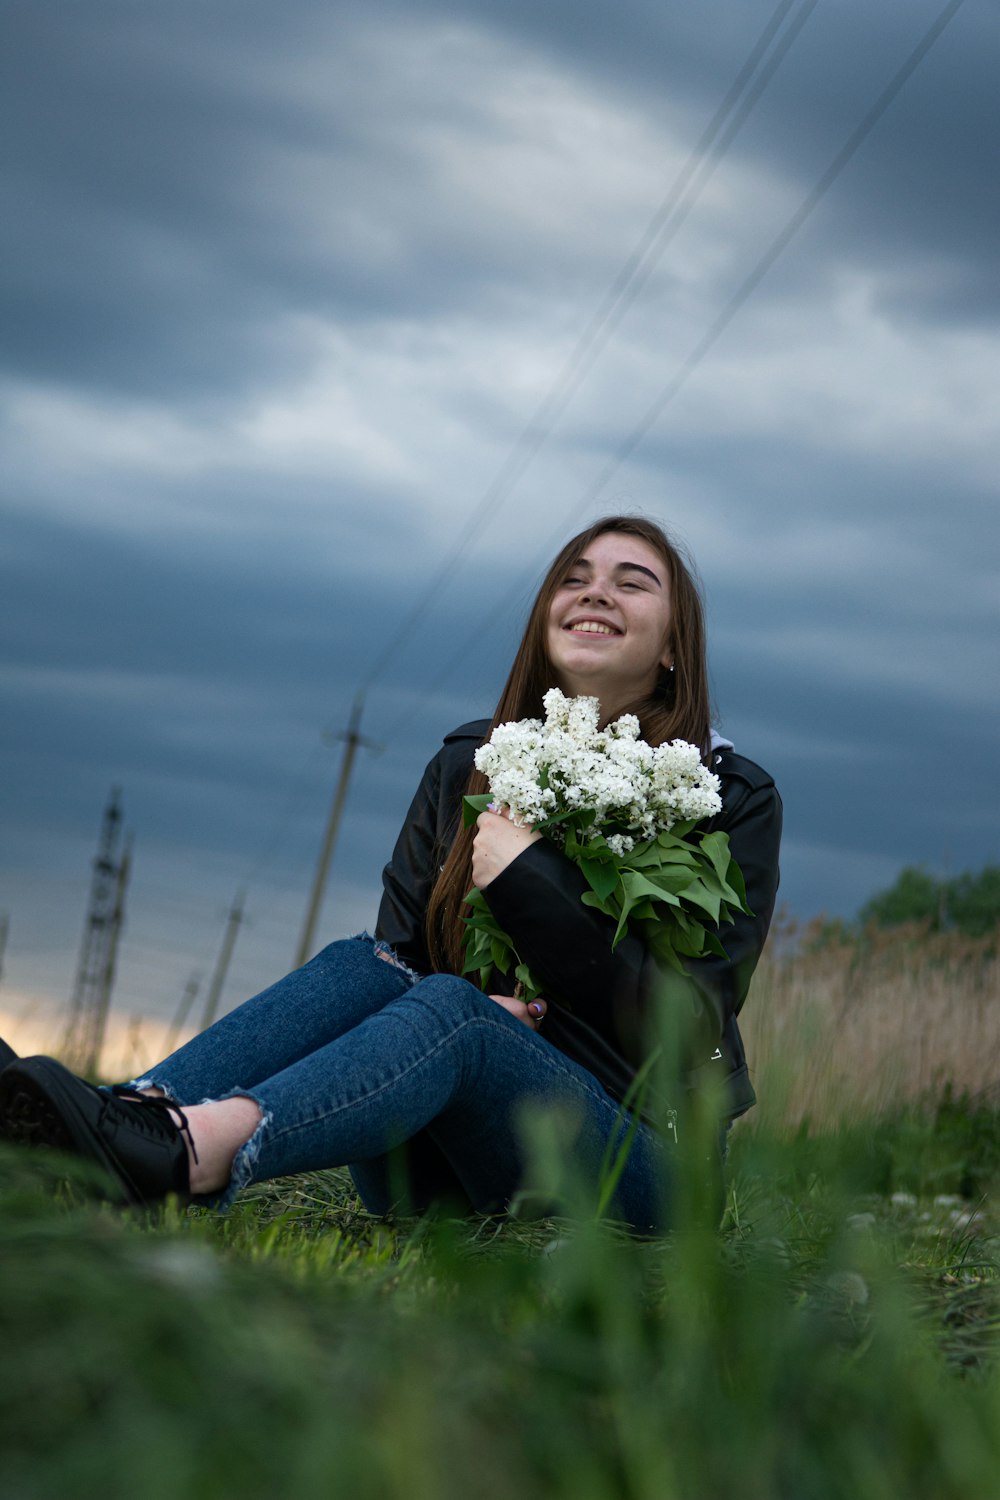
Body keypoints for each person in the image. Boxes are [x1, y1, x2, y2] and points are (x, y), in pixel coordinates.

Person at [0, 516, 781, 1232]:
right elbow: (395, 970)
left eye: (631, 580)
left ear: (676, 645)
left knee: (453, 1007)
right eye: (573, 577)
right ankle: (115, 1126)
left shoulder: (727, 798)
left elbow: (686, 1025)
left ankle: (184, 1153)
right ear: (545, 623)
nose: (594, 590)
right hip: (436, 1159)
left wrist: (529, 879)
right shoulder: (468, 767)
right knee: (365, 965)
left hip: (639, 1168)